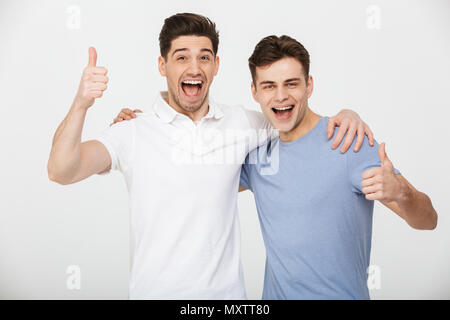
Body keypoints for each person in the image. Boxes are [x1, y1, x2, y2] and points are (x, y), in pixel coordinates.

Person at [48, 13, 372, 299]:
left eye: (204, 57)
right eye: (181, 58)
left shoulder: (245, 124)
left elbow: (295, 120)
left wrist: (346, 114)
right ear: (162, 65)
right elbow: (62, 170)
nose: (194, 67)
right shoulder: (132, 131)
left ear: (216, 66)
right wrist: (81, 104)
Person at [237, 35, 437, 299]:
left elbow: (428, 221)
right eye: (269, 86)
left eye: (291, 83)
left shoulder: (347, 142)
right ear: (255, 92)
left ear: (309, 86)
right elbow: (201, 184)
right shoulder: (257, 157)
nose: (281, 96)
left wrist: (401, 191)